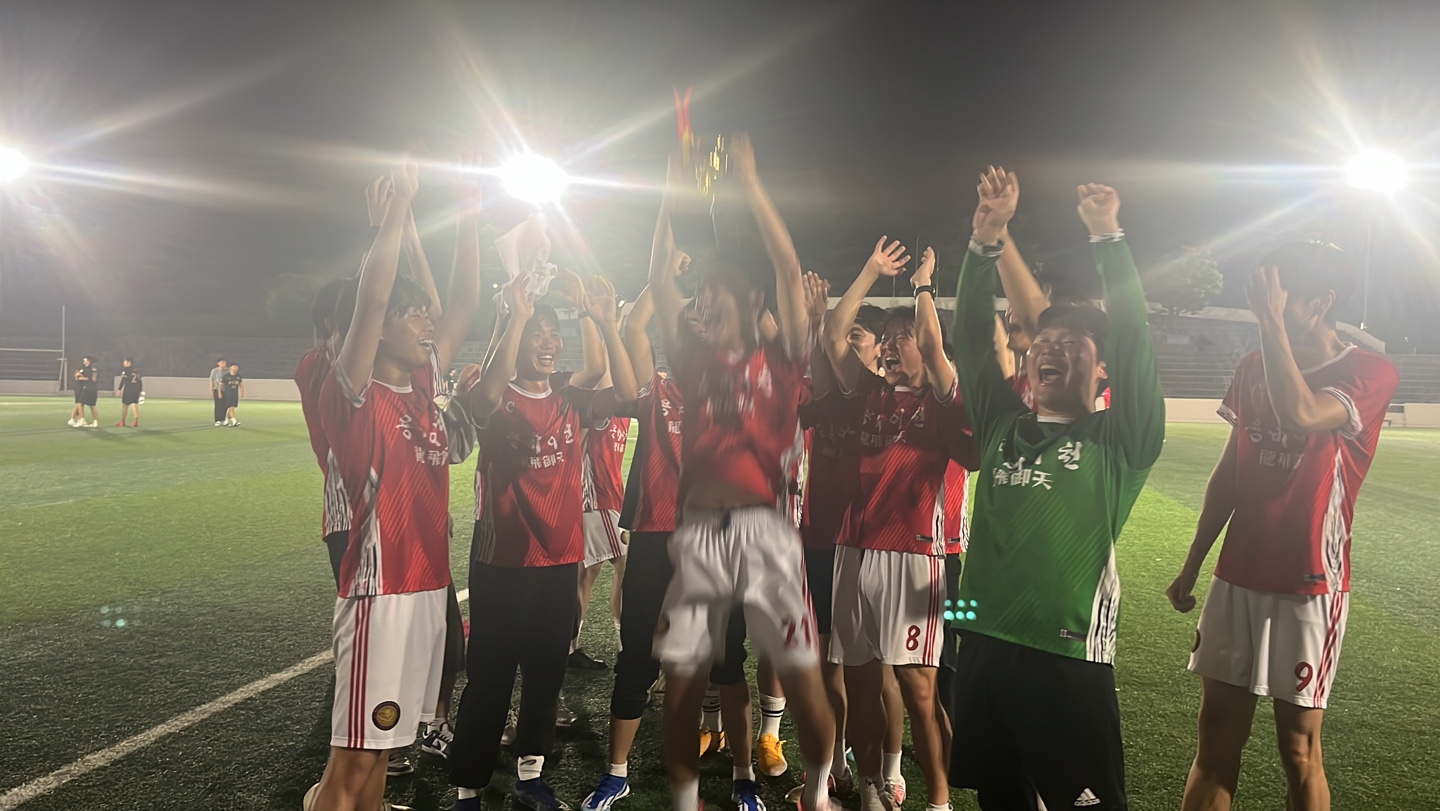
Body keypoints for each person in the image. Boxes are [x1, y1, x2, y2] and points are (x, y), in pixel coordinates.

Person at [946, 168, 1164, 811]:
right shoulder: (1002, 424)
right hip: (984, 640)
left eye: (1072, 343)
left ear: (1104, 366)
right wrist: (983, 241)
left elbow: (1137, 339)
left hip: (1068, 653)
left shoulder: (1119, 440)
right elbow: (969, 341)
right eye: (1043, 339)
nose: (1050, 349)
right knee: (998, 797)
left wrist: (1108, 239)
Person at [1167, 242, 1399, 811]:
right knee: (1215, 742)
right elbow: (1230, 475)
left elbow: (1302, 412)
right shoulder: (1253, 367)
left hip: (1309, 583)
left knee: (1298, 750)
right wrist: (1193, 563)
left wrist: (1269, 322)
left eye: (1278, 292)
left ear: (1322, 302)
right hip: (1236, 577)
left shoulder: (1369, 371)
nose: (1262, 301)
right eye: (1261, 289)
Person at [648, 134, 835, 811]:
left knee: (803, 678)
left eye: (714, 289)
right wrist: (672, 188)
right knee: (680, 687)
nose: (702, 299)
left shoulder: (784, 358)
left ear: (751, 296)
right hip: (700, 532)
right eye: (700, 291)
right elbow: (658, 280)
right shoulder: (693, 359)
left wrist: (751, 179)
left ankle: (817, 791)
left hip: (765, 532)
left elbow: (787, 265)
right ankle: (686, 802)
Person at [304, 153, 479, 811]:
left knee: (382, 751)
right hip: (380, 595)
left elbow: (460, 304)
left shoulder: (422, 388)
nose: (427, 323)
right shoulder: (352, 394)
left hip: (426, 587)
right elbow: (374, 299)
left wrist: (468, 209)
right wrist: (399, 211)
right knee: (351, 766)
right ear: (374, 330)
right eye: (412, 316)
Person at [449, 272, 637, 811]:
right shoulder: (493, 394)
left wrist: (598, 318)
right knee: (489, 679)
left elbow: (620, 388)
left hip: (558, 564)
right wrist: (516, 314)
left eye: (554, 334)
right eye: (539, 333)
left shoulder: (571, 400)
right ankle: (468, 789)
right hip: (501, 563)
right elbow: (487, 395)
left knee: (545, 675)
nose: (549, 343)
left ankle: (530, 776)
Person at [821, 240, 976, 811]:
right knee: (861, 683)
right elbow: (833, 336)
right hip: (853, 550)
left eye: (900, 337)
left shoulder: (943, 399)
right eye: (884, 339)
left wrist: (922, 287)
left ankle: (939, 800)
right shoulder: (868, 395)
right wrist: (869, 271)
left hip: (915, 555)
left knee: (919, 689)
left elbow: (934, 346)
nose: (889, 346)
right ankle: (871, 788)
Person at [69, 356, 99, 428]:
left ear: (89, 361)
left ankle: (82, 420)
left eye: (85, 360)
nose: (84, 361)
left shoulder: (90, 368)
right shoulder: (90, 368)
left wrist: (82, 377)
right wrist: (79, 375)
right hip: (92, 388)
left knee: (80, 403)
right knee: (91, 405)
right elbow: (77, 375)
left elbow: (92, 379)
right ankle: (94, 421)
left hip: (88, 388)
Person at [115, 358, 143, 427]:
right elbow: (140, 381)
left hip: (128, 390)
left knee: (125, 405)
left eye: (125, 361)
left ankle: (123, 421)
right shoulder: (137, 371)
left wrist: (119, 389)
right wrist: (140, 390)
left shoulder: (125, 370)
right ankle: (136, 421)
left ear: (129, 362)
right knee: (134, 405)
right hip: (135, 390)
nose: (124, 363)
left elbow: (123, 380)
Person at [211, 358, 229, 425]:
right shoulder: (214, 371)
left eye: (224, 362)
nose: (223, 364)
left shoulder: (228, 371)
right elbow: (211, 380)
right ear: (218, 363)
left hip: (226, 390)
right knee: (218, 405)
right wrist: (211, 390)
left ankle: (223, 419)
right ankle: (217, 420)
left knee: (225, 405)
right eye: (222, 362)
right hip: (216, 389)